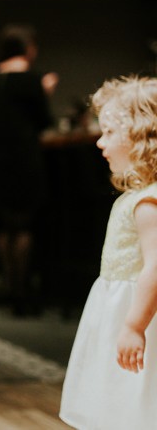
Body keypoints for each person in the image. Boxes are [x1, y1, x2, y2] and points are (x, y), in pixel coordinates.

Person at [60, 75, 157, 429]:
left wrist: (134, 325)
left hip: (138, 312)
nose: (100, 142)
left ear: (142, 136)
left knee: (137, 395)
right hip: (119, 305)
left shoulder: (149, 203)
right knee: (119, 394)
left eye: (109, 133)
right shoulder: (138, 196)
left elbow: (155, 268)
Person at [0, 24, 57, 316]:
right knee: (24, 225)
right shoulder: (32, 78)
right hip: (25, 160)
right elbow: (43, 122)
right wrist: (46, 92)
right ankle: (22, 291)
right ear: (27, 48)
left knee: (5, 227)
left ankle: (9, 287)